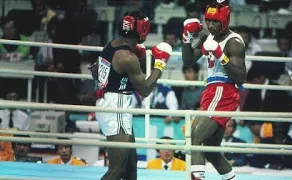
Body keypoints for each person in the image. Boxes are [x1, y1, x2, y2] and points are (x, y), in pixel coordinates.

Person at [91, 10, 172, 180]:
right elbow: (145, 90)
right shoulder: (127, 57)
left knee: (130, 164)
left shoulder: (112, 45)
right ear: (143, 29)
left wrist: (139, 56)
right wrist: (160, 64)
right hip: (116, 107)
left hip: (111, 103)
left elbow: (96, 71)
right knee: (117, 169)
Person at [181, 1, 246, 180]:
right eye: (208, 20)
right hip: (211, 91)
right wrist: (187, 38)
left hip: (224, 91)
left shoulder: (234, 42)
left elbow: (241, 77)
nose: (211, 25)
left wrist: (221, 56)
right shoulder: (206, 36)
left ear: (226, 20)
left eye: (216, 21)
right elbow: (188, 62)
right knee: (211, 150)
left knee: (195, 136)